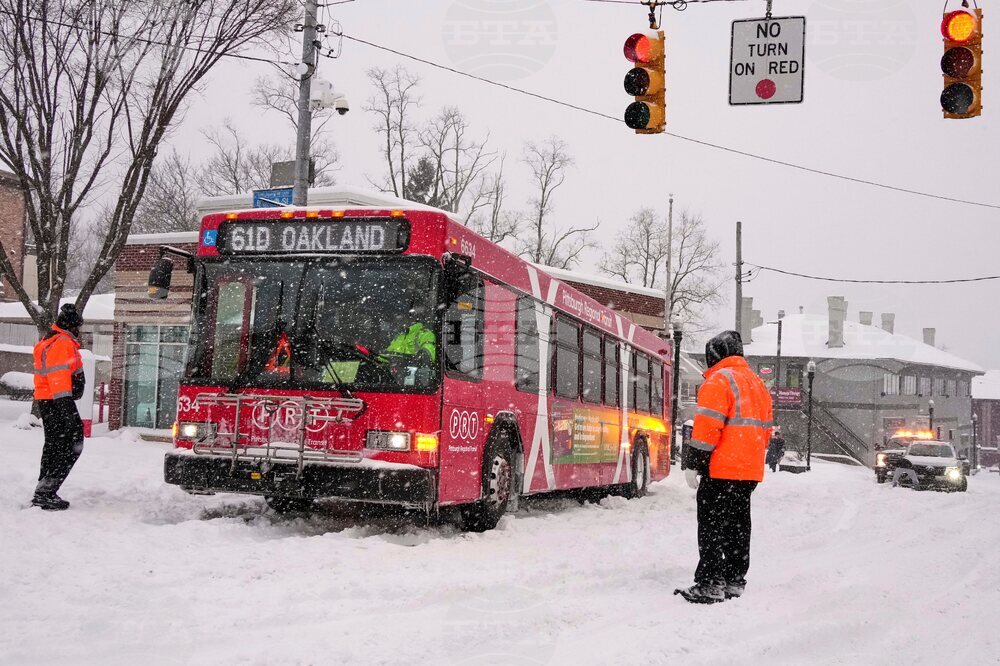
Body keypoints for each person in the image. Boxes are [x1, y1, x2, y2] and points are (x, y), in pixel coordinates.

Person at [675, 330, 774, 604]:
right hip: (748, 471)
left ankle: (710, 583)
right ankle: (734, 580)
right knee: (738, 526)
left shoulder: (719, 381)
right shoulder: (757, 384)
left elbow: (707, 429)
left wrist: (693, 464)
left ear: (715, 355)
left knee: (711, 526)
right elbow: (765, 432)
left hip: (720, 470)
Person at [31, 304, 86, 511]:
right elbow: (58, 377)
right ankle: (45, 491)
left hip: (49, 401)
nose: (80, 330)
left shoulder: (51, 340)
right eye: (78, 326)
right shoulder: (61, 343)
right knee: (72, 444)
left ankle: (44, 487)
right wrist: (67, 408)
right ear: (71, 326)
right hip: (58, 401)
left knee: (54, 444)